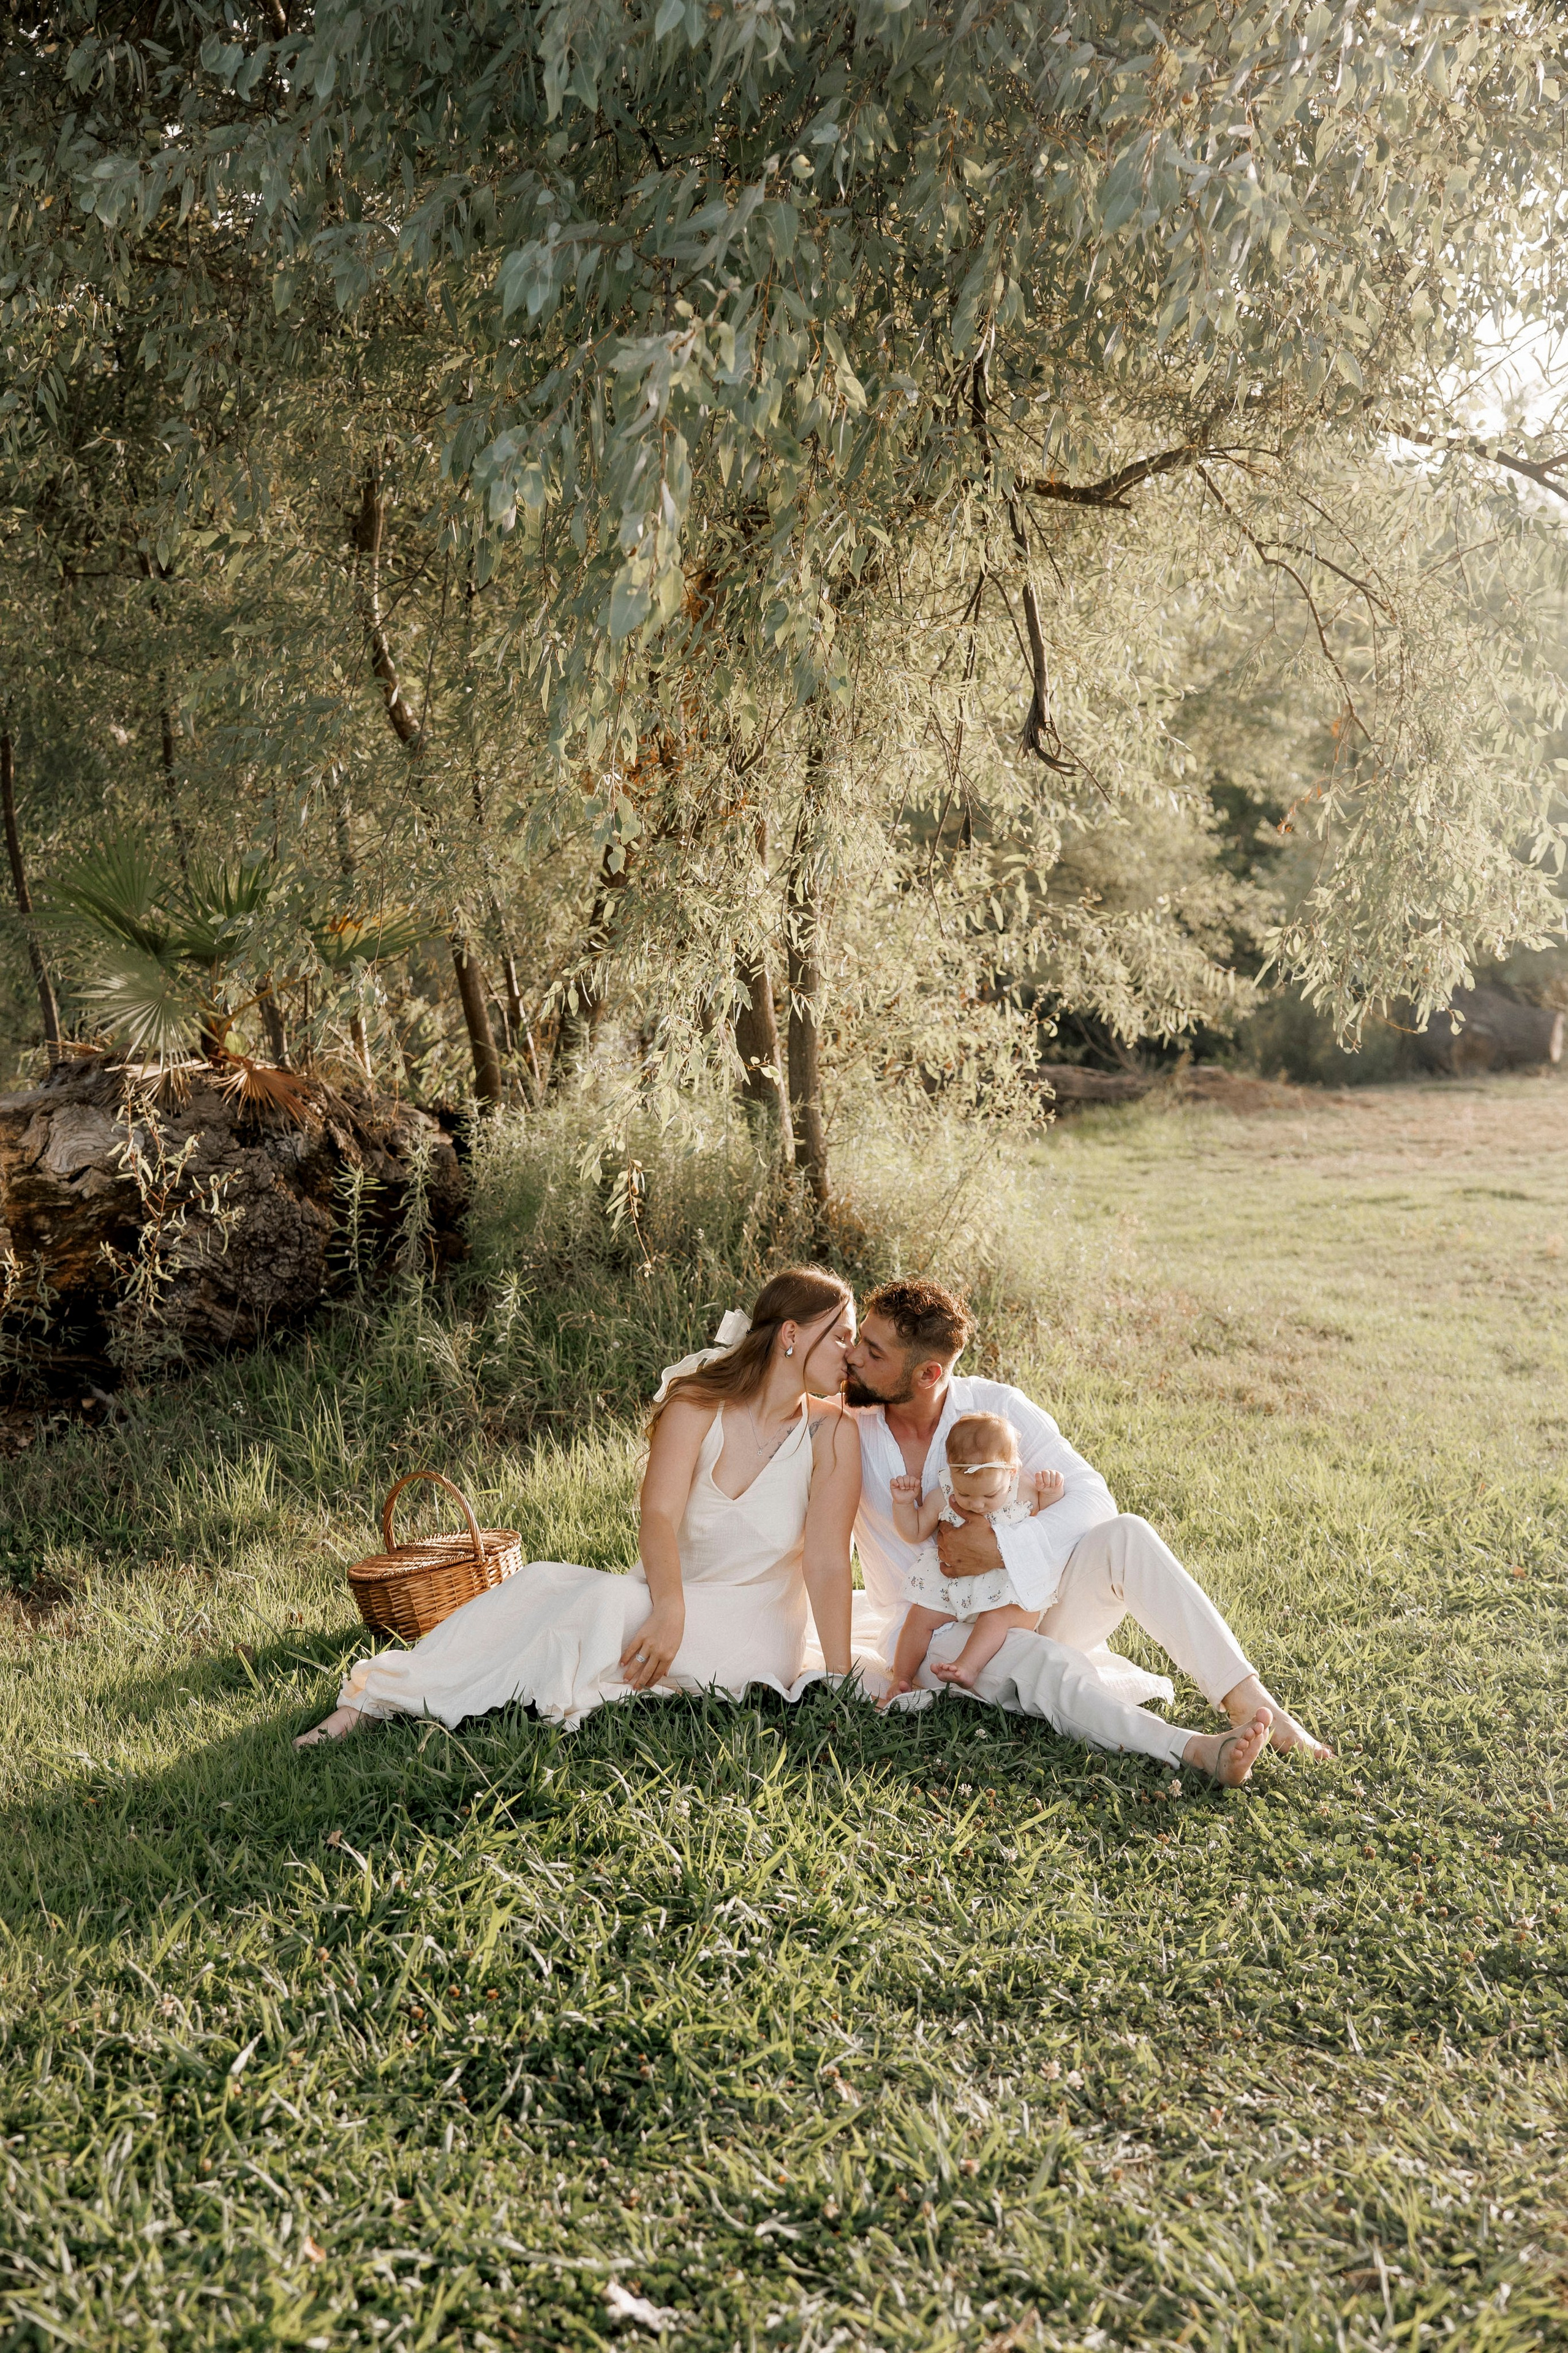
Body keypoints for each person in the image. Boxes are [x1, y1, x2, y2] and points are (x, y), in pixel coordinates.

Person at [295, 1267, 862, 1745]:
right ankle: (384, 1691)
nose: (852, 1354)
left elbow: (830, 1562)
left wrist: (838, 1680)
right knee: (540, 1582)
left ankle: (415, 1695)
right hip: (669, 1598)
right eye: (841, 1336)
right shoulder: (697, 1404)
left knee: (600, 1608)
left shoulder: (832, 1432)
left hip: (756, 1625)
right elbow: (659, 1516)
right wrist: (669, 1608)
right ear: (791, 1333)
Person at [842, 1277, 1331, 1777]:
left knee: (1127, 1533)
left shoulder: (997, 1410)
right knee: (1042, 1663)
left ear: (927, 1373)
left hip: (1024, 1602)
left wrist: (1003, 1548)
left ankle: (1246, 1696)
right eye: (861, 1339)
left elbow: (1092, 1497)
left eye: (873, 1351)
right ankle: (1194, 1749)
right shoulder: (846, 1427)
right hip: (932, 1632)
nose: (854, 1356)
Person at [885, 1412, 1062, 1701]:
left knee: (996, 1619)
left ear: (1012, 1473)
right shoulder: (943, 1494)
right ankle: (901, 1677)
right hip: (955, 1587)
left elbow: (1049, 1525)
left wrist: (1052, 1493)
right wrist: (904, 1505)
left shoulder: (1025, 1490)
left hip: (1006, 1588)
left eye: (990, 1496)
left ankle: (968, 1666)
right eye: (965, 1495)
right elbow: (914, 1532)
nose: (977, 1504)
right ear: (951, 1474)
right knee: (919, 1616)